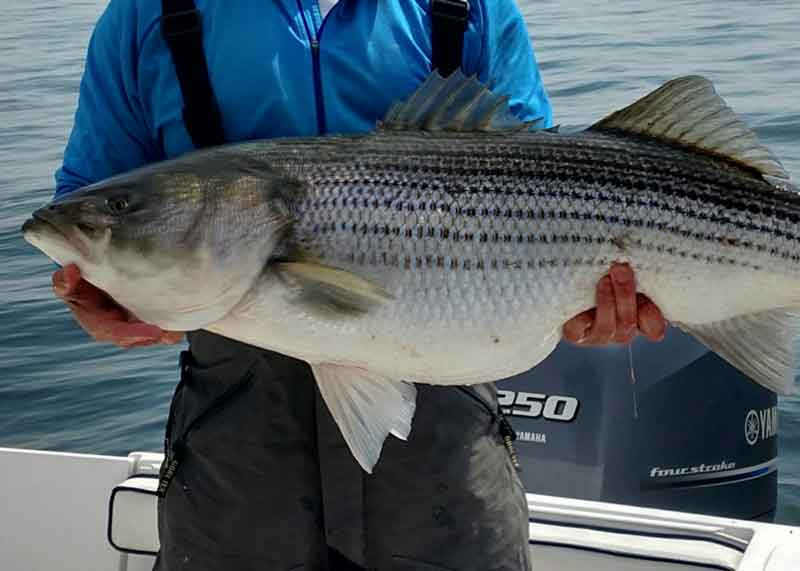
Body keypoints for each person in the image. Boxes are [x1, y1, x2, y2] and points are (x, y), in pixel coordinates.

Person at [52, 1, 666, 569]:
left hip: (445, 438)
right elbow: (87, 203)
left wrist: (584, 294)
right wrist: (94, 294)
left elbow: (545, 181)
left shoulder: (468, 6)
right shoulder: (147, 14)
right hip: (236, 451)